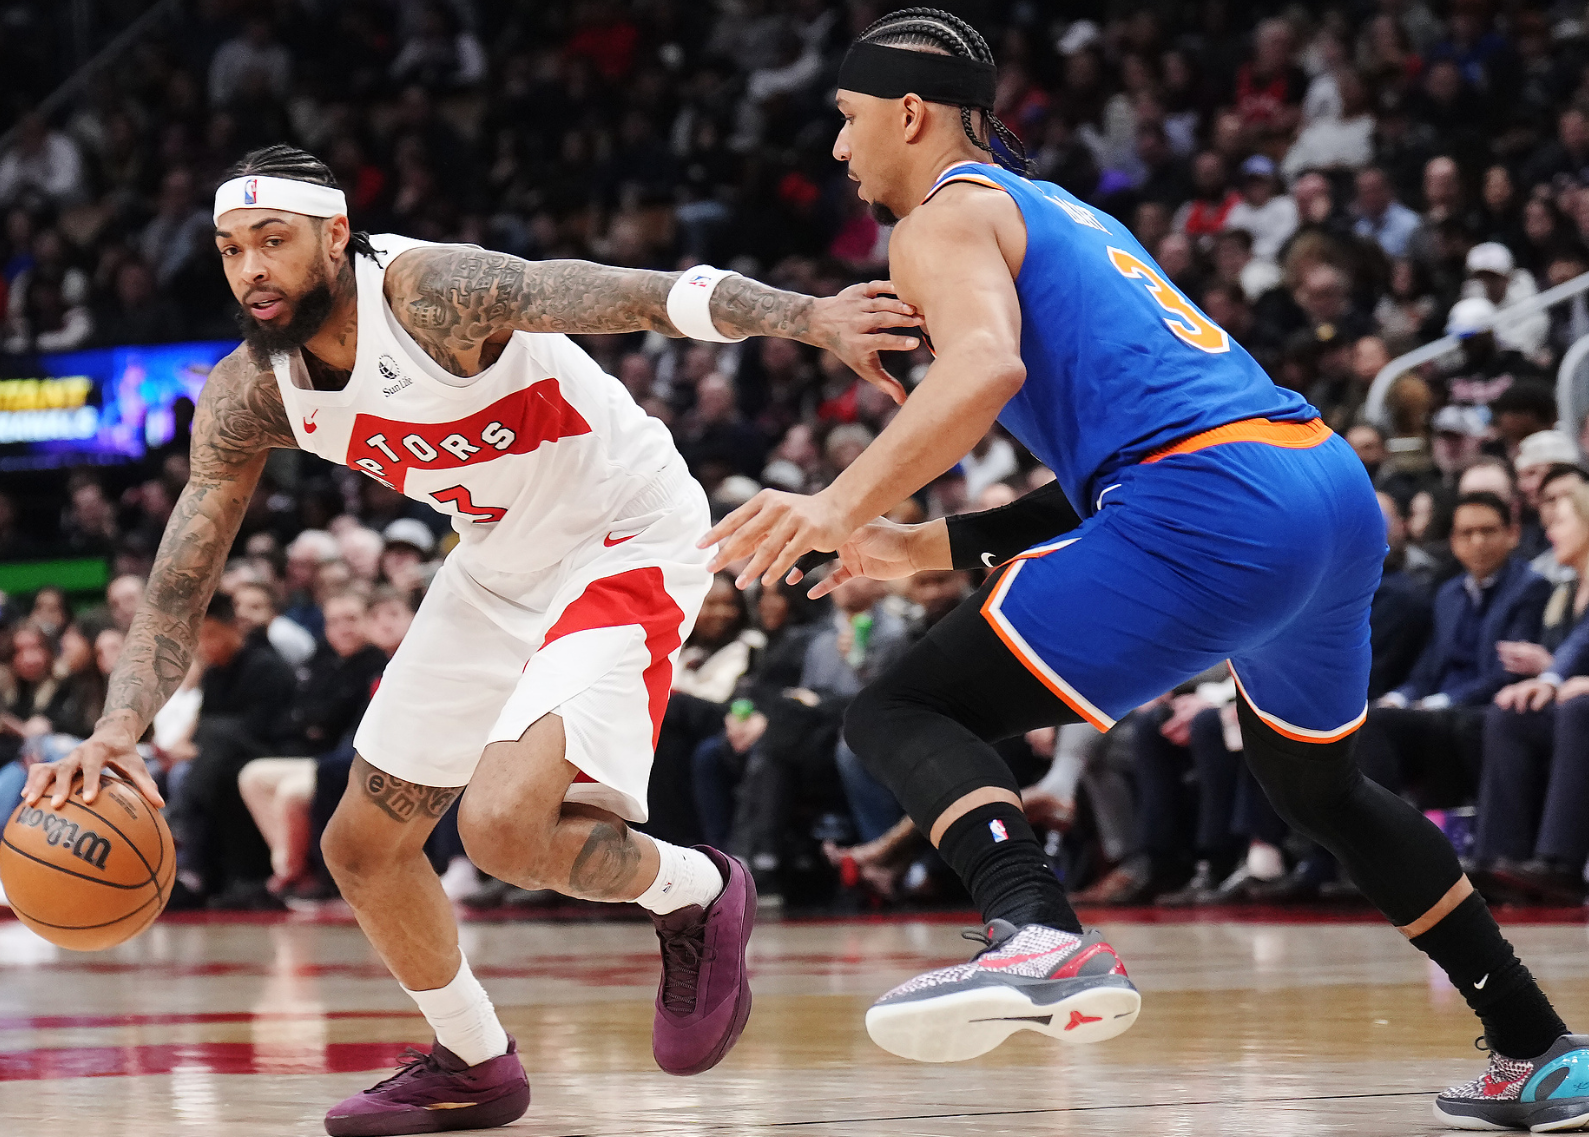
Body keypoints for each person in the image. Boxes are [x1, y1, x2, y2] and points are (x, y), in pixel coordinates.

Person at [702, 10, 1586, 1124]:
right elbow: (1109, 462)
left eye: (846, 117)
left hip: (1212, 504)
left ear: (910, 113)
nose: (838, 147)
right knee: (1318, 787)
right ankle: (1540, 1050)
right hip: (1318, 485)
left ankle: (1036, 930)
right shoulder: (1068, 212)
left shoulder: (939, 218)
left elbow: (981, 370)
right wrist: (917, 546)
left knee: (899, 710)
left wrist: (837, 502)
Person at [22, 143, 916, 1136]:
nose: (251, 270)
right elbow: (179, 582)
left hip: (622, 531)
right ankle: (475, 1063)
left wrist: (806, 316)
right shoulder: (250, 392)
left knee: (503, 831)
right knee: (361, 846)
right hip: (496, 561)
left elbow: (623, 293)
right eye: (232, 249)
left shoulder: (429, 294)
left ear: (334, 234)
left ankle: (699, 890)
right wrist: (117, 726)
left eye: (272, 241)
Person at [1356, 492, 1551, 807]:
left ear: (1512, 534)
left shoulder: (1530, 587)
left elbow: (1506, 672)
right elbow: (1428, 666)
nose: (1477, 541)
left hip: (1478, 708)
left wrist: (1440, 702)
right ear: (1454, 541)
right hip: (1438, 708)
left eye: (1488, 530)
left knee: (1420, 726)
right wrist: (1400, 697)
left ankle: (1388, 827)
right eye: (1466, 533)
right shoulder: (1448, 593)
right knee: (1370, 717)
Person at [1476, 482, 1589, 904]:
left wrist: (1558, 680)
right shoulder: (1566, 592)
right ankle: (1499, 858)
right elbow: (1569, 655)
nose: (1550, 533)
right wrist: (1544, 680)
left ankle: (1561, 863)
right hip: (1573, 704)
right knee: (1512, 715)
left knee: (1578, 708)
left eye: (1561, 522)